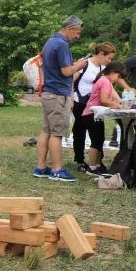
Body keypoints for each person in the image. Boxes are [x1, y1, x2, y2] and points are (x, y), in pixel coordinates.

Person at [34, 16, 86, 182]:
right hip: (58, 95)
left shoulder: (50, 41)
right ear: (70, 28)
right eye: (77, 33)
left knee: (46, 131)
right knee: (57, 134)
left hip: (49, 93)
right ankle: (57, 170)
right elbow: (65, 71)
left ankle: (41, 167)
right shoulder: (62, 44)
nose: (78, 36)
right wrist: (80, 64)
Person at [71, 42, 127, 171]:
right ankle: (80, 160)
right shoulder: (84, 64)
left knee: (97, 134)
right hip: (80, 101)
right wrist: (70, 99)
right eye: (109, 58)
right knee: (80, 131)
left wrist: (119, 100)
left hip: (96, 105)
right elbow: (71, 80)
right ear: (101, 54)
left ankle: (97, 162)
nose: (110, 61)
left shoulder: (103, 69)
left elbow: (109, 87)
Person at [80, 61, 126, 176]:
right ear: (112, 72)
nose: (117, 79)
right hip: (92, 114)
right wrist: (117, 106)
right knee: (96, 141)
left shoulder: (105, 81)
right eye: (118, 76)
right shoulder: (105, 82)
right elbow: (104, 100)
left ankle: (97, 165)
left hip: (95, 114)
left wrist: (118, 102)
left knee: (99, 140)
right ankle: (92, 167)